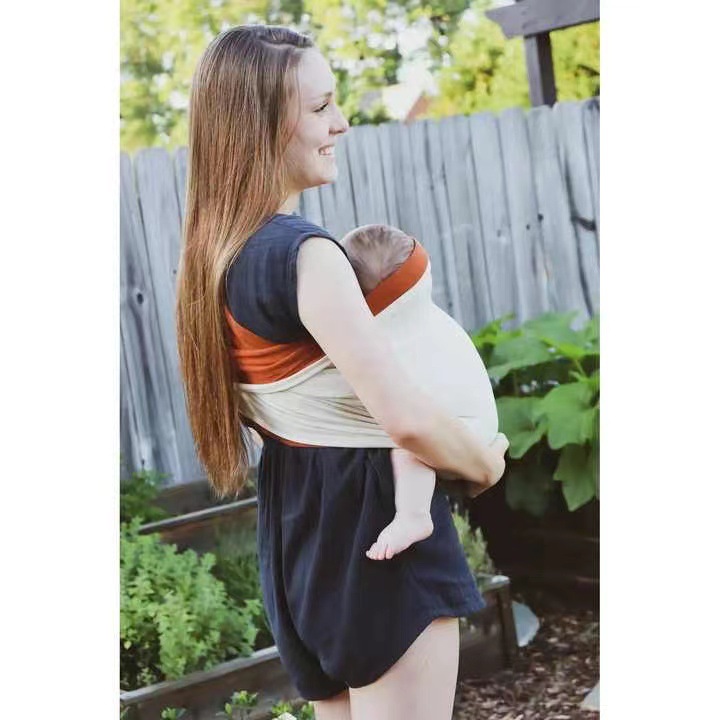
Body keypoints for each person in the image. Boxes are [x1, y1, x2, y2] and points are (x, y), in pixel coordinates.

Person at [176, 25, 509, 720]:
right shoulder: (305, 255)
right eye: (321, 106)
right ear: (262, 122)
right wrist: (483, 463)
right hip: (376, 532)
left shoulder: (215, 259)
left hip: (298, 538)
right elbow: (405, 419)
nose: (342, 123)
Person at [340, 223, 500, 562]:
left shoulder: (387, 337)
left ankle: (413, 515)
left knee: (410, 442)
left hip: (457, 431)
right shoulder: (426, 315)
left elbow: (404, 417)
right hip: (480, 422)